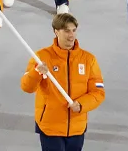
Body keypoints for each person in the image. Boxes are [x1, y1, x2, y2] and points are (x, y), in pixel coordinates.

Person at [20, 13, 106, 151]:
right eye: (66, 31)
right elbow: (26, 87)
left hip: (77, 127)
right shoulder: (41, 57)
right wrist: (36, 72)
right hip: (50, 127)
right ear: (56, 32)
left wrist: (82, 104)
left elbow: (98, 92)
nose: (71, 35)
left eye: (73, 30)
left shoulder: (88, 59)